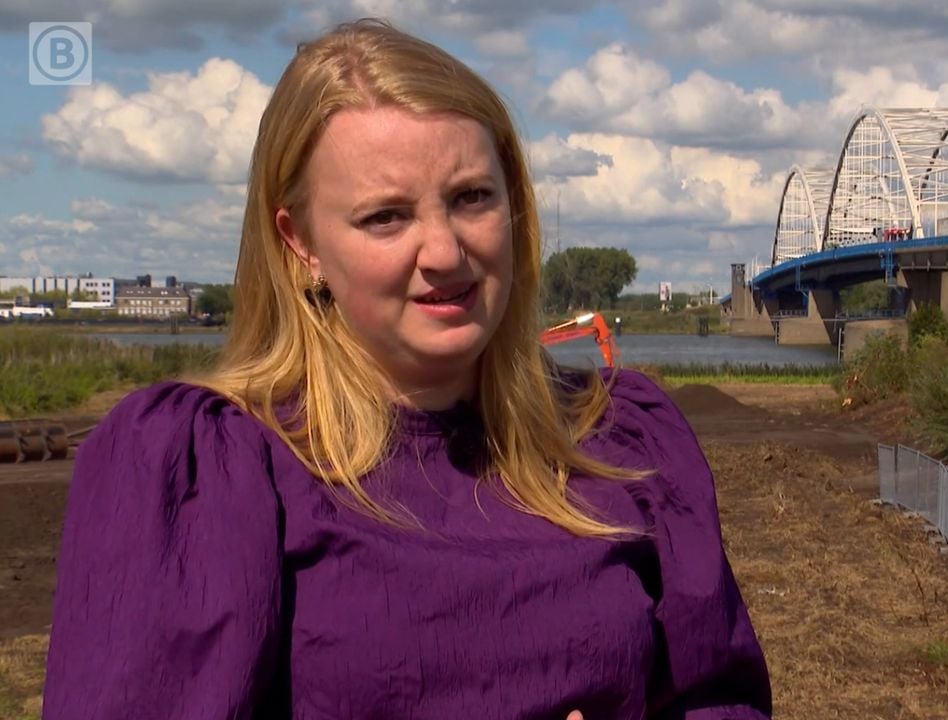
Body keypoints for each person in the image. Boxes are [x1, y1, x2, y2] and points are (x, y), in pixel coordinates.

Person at [42, 18, 771, 720]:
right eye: (386, 216)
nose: (446, 252)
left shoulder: (620, 438)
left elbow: (718, 697)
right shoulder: (210, 467)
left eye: (472, 197)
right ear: (301, 243)